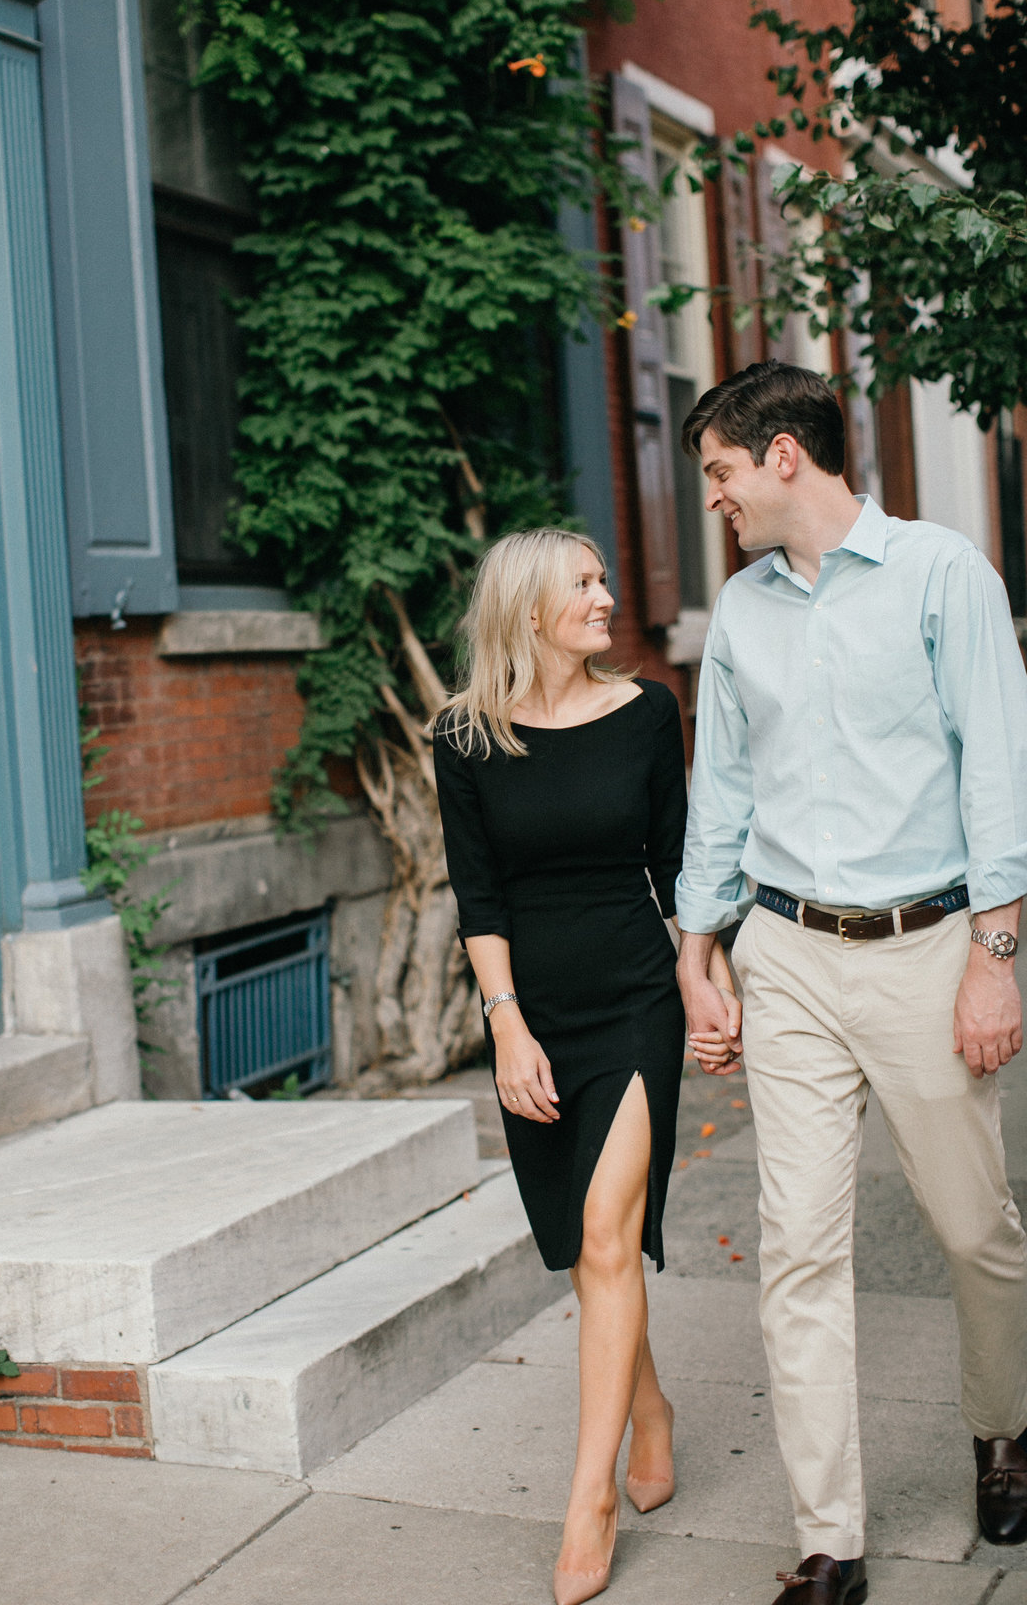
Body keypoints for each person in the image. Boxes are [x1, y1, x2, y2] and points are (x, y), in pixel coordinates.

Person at [675, 360, 1027, 1605]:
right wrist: (698, 954)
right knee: (799, 1253)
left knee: (974, 1229)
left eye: (718, 473)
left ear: (782, 458)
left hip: (931, 950)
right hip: (786, 960)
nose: (712, 499)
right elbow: (720, 793)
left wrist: (995, 961)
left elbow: (998, 770)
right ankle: (832, 1542)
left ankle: (1005, 1428)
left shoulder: (944, 575)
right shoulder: (741, 617)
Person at [433, 526, 737, 1605]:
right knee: (585, 1249)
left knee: (607, 1233)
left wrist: (705, 974)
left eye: (607, 577)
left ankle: (588, 1497)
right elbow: (482, 897)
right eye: (587, 584)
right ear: (527, 612)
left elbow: (677, 861)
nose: (610, 597)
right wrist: (506, 1028)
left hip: (632, 1006)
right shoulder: (464, 736)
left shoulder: (648, 712)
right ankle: (648, 1408)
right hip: (535, 1014)